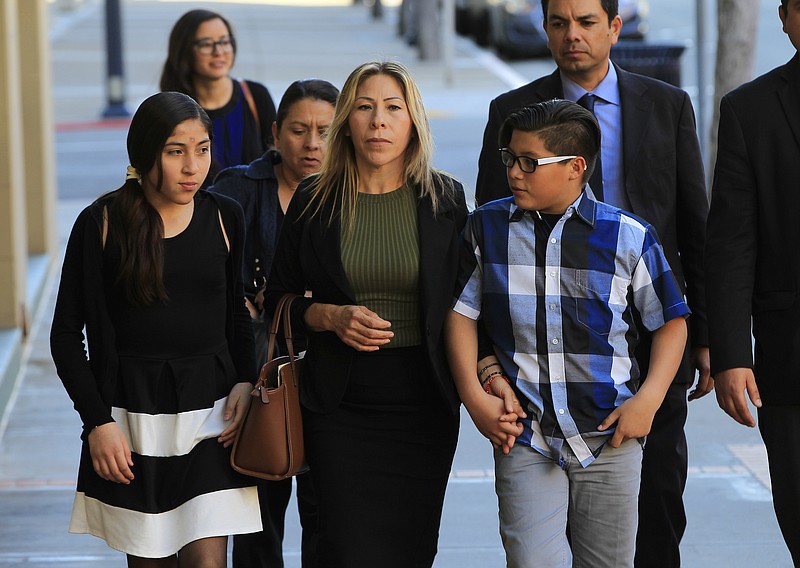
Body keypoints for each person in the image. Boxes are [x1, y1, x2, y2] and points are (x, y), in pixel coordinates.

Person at [473, 1, 711, 565]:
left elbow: (694, 227)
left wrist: (708, 337)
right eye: (558, 23)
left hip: (651, 335)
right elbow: (486, 248)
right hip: (541, 354)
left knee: (654, 504)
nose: (571, 35)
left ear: (614, 28)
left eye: (585, 22)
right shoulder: (512, 110)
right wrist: (487, 365)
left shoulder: (667, 104)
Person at [447, 99, 689, 567]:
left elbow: (671, 322)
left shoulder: (629, 237)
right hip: (525, 436)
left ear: (576, 167)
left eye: (529, 163)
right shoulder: (486, 228)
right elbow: (461, 315)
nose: (514, 173)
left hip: (609, 436)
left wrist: (648, 401)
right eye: (509, 159)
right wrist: (477, 401)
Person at [264, 61, 467, 567]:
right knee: (345, 547)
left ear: (412, 121)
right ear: (347, 122)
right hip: (338, 404)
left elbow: (469, 302)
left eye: (393, 108)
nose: (379, 121)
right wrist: (329, 317)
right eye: (365, 107)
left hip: (424, 401)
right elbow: (278, 300)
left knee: (411, 549)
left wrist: (485, 376)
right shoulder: (314, 199)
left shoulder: (444, 198)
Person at [49, 91, 261, 566]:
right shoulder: (101, 223)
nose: (192, 166)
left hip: (212, 414)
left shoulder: (226, 215)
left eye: (202, 149)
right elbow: (65, 336)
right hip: (133, 419)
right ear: (145, 154)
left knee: (208, 560)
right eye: (175, 151)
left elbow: (236, 315)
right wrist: (97, 423)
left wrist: (245, 379)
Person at [209, 78, 340, 568]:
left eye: (325, 131)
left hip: (330, 377)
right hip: (260, 377)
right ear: (275, 132)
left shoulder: (354, 191)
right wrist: (239, 302)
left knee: (326, 524)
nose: (311, 144)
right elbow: (206, 275)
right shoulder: (237, 188)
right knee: (258, 523)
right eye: (299, 130)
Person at [706, 1, 800, 563]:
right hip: (790, 358)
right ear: (784, 18)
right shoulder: (750, 110)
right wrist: (732, 355)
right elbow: (732, 242)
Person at [160, 9, 277, 187]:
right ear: (185, 50)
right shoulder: (171, 109)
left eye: (224, 41)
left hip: (252, 214)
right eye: (207, 44)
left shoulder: (256, 95)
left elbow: (277, 165)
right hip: (197, 213)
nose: (219, 51)